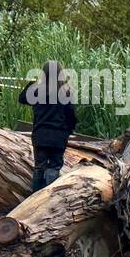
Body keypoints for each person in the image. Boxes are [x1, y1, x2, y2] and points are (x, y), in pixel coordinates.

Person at [19, 60, 77, 191]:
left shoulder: (37, 90)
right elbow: (71, 115)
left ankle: (35, 196)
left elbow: (22, 98)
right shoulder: (66, 92)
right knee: (54, 167)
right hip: (58, 136)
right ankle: (50, 195)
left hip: (40, 134)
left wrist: (33, 83)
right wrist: (70, 130)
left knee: (40, 166)